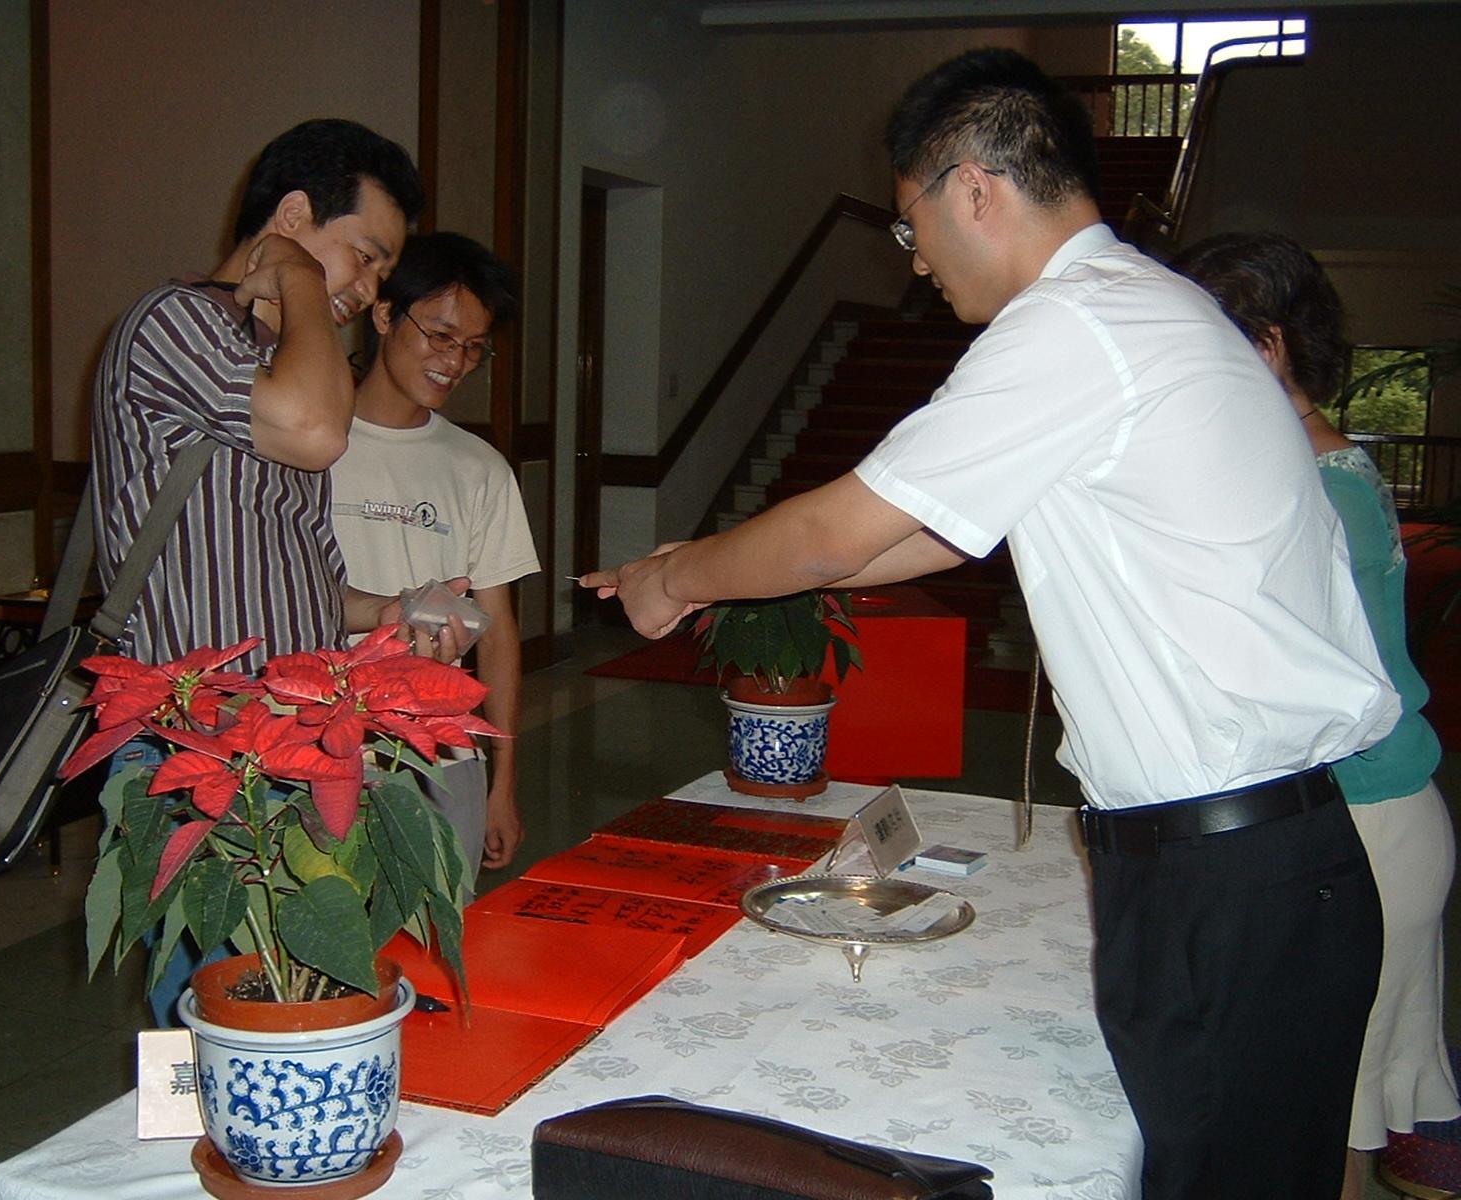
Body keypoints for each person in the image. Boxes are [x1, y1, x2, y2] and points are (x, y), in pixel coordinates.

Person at [583, 48, 1401, 1200]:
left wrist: (679, 583)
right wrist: (702, 574)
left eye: (910, 226)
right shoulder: (1132, 315)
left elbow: (837, 532)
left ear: (971, 187)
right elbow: (930, 531)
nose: (913, 263)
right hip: (1245, 866)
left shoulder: (1078, 326)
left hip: (1231, 877)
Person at [90, 119, 457, 1025]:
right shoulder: (175, 321)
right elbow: (319, 431)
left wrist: (389, 611)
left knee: (299, 998)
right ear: (293, 216)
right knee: (221, 1008)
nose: (368, 290)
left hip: (286, 742)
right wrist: (295, 273)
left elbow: (298, 570)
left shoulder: (280, 365)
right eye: (363, 257)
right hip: (192, 745)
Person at [1174, 231, 1460, 1200]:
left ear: (1267, 347)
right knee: (1340, 1105)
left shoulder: (1313, 486)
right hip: (1374, 814)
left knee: (1327, 1115)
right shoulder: (1312, 466)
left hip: (1366, 822)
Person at [330, 232, 539, 878]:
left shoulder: (479, 468)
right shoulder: (313, 444)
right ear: (384, 314)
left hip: (443, 756)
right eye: (441, 336)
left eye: (474, 347)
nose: (456, 362)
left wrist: (502, 781)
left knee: (438, 931)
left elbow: (498, 634)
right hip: (319, 748)